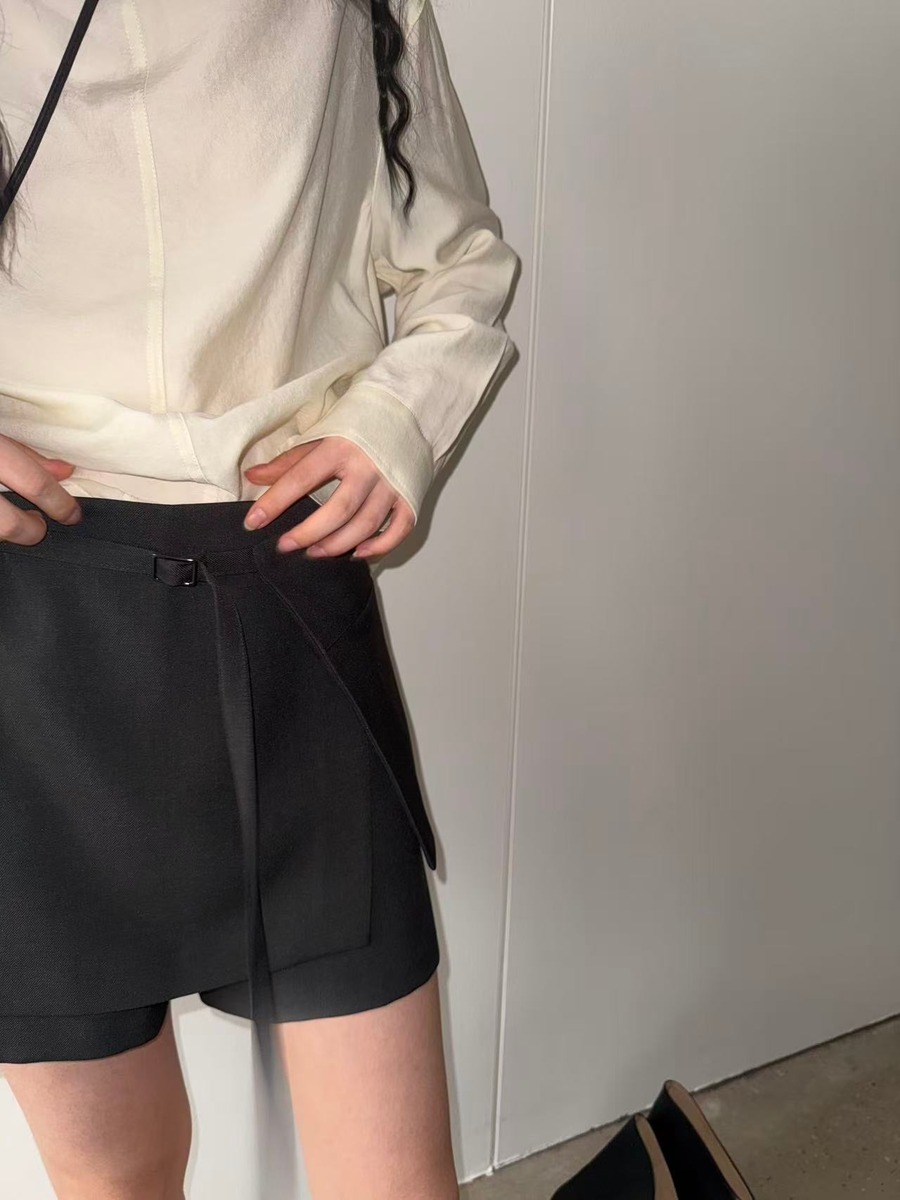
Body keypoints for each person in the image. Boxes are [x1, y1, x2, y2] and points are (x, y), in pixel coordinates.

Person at [0, 1, 519, 1197]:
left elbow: (460, 253)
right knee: (117, 1179)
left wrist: (399, 418)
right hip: (32, 635)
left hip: (285, 604)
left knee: (394, 1182)